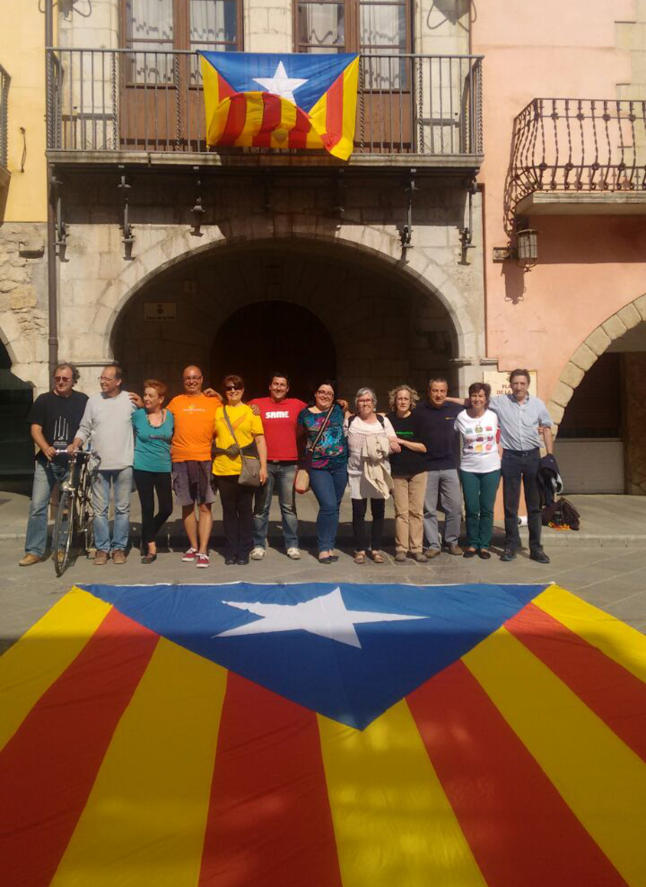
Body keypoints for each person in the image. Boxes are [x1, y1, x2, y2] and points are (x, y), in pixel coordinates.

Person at [71, 362, 142, 564]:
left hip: (124, 463)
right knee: (99, 510)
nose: (103, 381)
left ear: (118, 381)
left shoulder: (130, 400)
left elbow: (145, 420)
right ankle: (102, 548)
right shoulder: (93, 401)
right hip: (98, 464)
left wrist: (144, 406)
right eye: (101, 378)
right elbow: (84, 427)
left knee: (122, 508)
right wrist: (76, 442)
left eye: (107, 379)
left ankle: (119, 548)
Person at [19, 362, 88, 566]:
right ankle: (34, 550)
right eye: (57, 378)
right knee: (38, 506)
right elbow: (35, 429)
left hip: (71, 462)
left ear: (73, 380)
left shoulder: (83, 400)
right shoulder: (44, 400)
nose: (60, 382)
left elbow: (89, 426)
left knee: (66, 506)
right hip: (46, 461)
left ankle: (61, 548)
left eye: (65, 379)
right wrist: (45, 446)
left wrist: (76, 444)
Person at [489, 369, 554, 564]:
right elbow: (473, 401)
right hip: (510, 458)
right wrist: (448, 399)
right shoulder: (500, 402)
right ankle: (511, 545)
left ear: (527, 385)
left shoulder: (537, 404)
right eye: (515, 383)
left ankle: (536, 548)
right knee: (510, 504)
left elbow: (547, 427)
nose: (518, 387)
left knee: (534, 505)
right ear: (510, 384)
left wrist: (550, 455)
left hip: (533, 456)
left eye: (522, 384)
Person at [167, 365, 221, 568]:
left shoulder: (213, 401)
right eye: (187, 378)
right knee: (187, 506)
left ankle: (204, 550)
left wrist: (222, 398)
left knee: (205, 505)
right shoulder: (176, 402)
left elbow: (231, 413)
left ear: (202, 379)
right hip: (180, 459)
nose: (191, 381)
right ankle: (193, 546)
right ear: (183, 380)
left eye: (195, 378)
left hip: (205, 458)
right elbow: (159, 418)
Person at [212, 374, 267, 565]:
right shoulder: (218, 411)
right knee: (228, 512)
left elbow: (260, 439)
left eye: (237, 387)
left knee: (244, 510)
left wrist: (264, 468)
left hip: (245, 468)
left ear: (243, 390)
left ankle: (244, 550)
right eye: (228, 388)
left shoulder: (252, 412)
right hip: (223, 468)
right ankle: (231, 549)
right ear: (224, 391)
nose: (233, 390)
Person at [249, 373, 306, 560]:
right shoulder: (257, 403)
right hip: (265, 464)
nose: (279, 387)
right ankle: (258, 545)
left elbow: (318, 411)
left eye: (282, 385)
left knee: (288, 507)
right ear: (270, 386)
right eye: (275, 384)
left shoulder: (297, 405)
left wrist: (341, 405)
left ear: (287, 388)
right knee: (261, 507)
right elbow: (235, 409)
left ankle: (292, 544)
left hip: (289, 464)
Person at [345, 387, 400, 564]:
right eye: (362, 401)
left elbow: (393, 444)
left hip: (378, 473)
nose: (365, 403)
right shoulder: (350, 421)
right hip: (357, 473)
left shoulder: (383, 421)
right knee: (358, 512)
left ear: (374, 403)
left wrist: (383, 447)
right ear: (357, 404)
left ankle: (376, 548)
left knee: (378, 511)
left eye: (368, 400)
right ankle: (360, 549)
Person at [297, 380, 348, 564]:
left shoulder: (338, 410)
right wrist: (301, 462)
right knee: (328, 505)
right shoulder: (304, 415)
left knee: (335, 506)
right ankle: (323, 547)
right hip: (319, 467)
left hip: (340, 465)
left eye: (329, 393)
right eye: (322, 391)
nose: (325, 395)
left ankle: (330, 545)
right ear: (315, 394)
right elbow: (299, 440)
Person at [415, 377, 463, 558]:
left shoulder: (455, 409)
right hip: (427, 467)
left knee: (455, 507)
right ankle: (434, 544)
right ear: (429, 391)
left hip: (450, 466)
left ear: (447, 392)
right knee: (428, 509)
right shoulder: (419, 410)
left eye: (442, 391)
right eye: (435, 390)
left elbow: (469, 403)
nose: (438, 394)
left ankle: (452, 541)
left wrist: (450, 399)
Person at [454, 382, 501, 559]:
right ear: (469, 398)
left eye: (481, 396)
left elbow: (502, 435)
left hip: (491, 468)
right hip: (468, 468)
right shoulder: (461, 417)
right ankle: (473, 543)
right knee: (472, 508)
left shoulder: (494, 416)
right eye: (474, 395)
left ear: (486, 399)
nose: (477, 399)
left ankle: (484, 545)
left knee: (487, 508)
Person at [132, 379, 174, 564]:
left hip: (163, 467)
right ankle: (151, 546)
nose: (146, 398)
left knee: (167, 508)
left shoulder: (170, 415)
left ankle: (146, 533)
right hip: (142, 467)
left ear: (161, 399)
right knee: (147, 508)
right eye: (145, 395)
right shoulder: (137, 415)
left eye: (151, 395)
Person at [386, 385, 428, 563]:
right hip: (397, 472)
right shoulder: (388, 420)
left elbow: (424, 447)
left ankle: (416, 548)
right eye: (399, 398)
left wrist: (402, 441)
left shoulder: (419, 419)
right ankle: (401, 548)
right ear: (394, 401)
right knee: (401, 512)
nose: (402, 402)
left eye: (406, 399)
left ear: (411, 401)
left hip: (418, 471)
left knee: (416, 512)